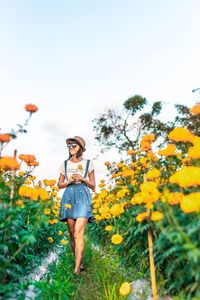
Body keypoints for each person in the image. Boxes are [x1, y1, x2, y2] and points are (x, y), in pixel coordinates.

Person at [57, 136, 96, 275]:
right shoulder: (65, 164)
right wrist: (69, 181)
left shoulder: (88, 163)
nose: (71, 147)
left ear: (80, 147)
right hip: (69, 195)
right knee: (72, 234)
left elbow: (93, 186)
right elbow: (59, 185)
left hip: (83, 195)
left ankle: (76, 269)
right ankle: (79, 262)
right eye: (69, 145)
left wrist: (83, 179)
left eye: (74, 145)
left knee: (79, 232)